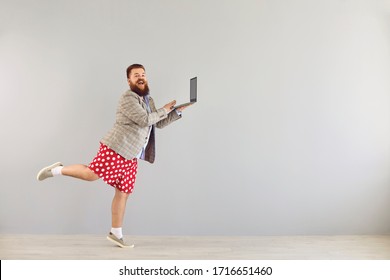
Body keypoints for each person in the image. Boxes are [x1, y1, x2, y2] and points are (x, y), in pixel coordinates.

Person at [37, 64, 191, 248]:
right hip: (117, 147)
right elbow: (145, 120)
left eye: (143, 74)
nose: (141, 77)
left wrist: (177, 111)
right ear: (129, 80)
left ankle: (116, 233)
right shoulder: (128, 98)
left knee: (123, 192)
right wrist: (165, 109)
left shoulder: (148, 100)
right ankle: (57, 170)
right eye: (136, 75)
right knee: (91, 174)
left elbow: (156, 124)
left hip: (131, 154)